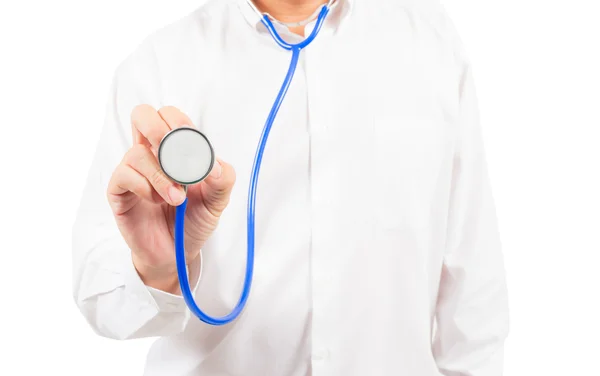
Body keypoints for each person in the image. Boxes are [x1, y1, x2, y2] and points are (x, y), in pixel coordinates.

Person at [71, 0, 510, 375]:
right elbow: (102, 302)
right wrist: (159, 269)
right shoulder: (160, 63)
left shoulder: (432, 46)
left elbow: (474, 291)